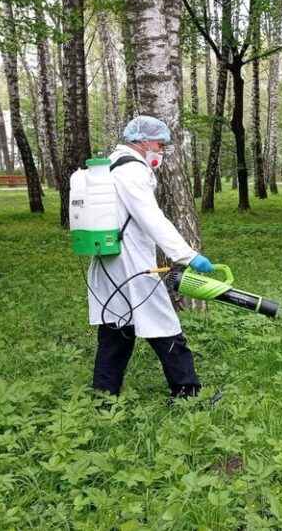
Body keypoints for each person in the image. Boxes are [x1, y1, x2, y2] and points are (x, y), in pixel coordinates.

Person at [87, 115, 214, 398]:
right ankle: (187, 392)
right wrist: (187, 255)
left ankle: (104, 396)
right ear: (142, 141)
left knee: (116, 327)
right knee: (163, 323)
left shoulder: (110, 165)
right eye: (160, 144)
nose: (162, 150)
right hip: (132, 262)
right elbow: (151, 217)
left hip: (109, 261)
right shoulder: (132, 170)